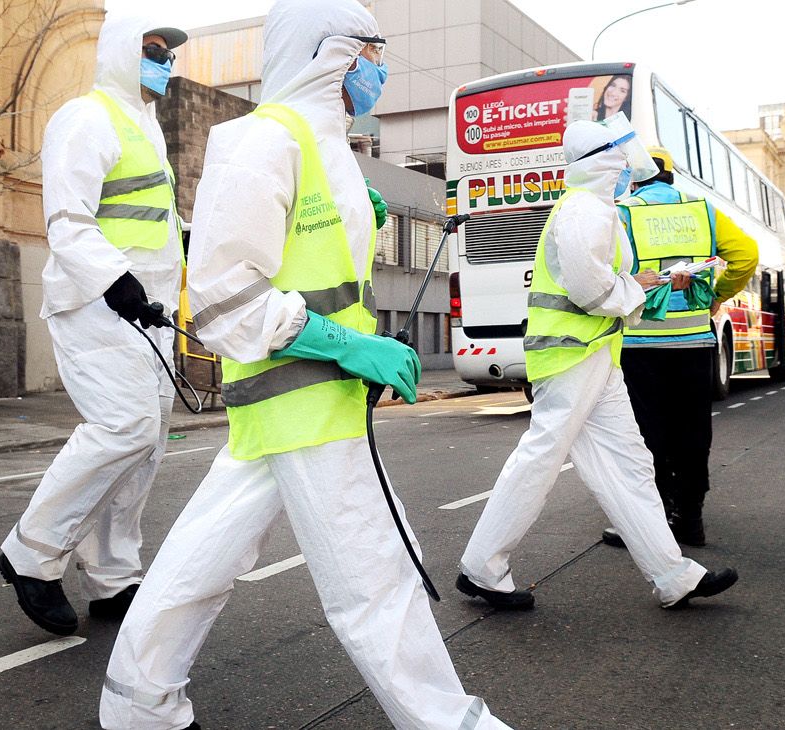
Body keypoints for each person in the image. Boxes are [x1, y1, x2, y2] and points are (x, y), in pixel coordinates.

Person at [100, 3, 512, 728]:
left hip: (302, 397)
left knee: (201, 560)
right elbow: (225, 298)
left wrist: (363, 213)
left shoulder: (322, 148)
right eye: (373, 51)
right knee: (377, 580)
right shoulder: (264, 141)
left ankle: (138, 704)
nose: (380, 68)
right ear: (335, 54)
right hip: (308, 394)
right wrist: (352, 345)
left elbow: (302, 252)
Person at [455, 121, 738, 614]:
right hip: (573, 354)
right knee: (543, 459)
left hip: (592, 354)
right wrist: (637, 288)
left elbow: (601, 281)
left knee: (628, 464)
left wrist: (642, 281)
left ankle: (673, 576)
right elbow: (591, 291)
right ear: (608, 162)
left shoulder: (592, 208)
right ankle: (482, 568)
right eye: (625, 162)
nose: (632, 172)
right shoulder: (588, 210)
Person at [0, 15, 188, 637]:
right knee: (123, 426)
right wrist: (117, 280)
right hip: (98, 305)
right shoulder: (86, 118)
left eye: (168, 55)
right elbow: (69, 221)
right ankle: (30, 552)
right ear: (117, 54)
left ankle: (112, 576)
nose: (164, 63)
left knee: (146, 446)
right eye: (152, 51)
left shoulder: (148, 132)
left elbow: (160, 228)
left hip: (149, 315)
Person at [601, 146, 759, 547]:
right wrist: (714, 295)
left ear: (635, 178)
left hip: (640, 344)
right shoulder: (701, 210)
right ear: (670, 176)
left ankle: (651, 520)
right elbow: (746, 256)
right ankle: (690, 518)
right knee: (692, 430)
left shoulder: (624, 212)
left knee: (647, 433)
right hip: (693, 342)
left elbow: (605, 272)